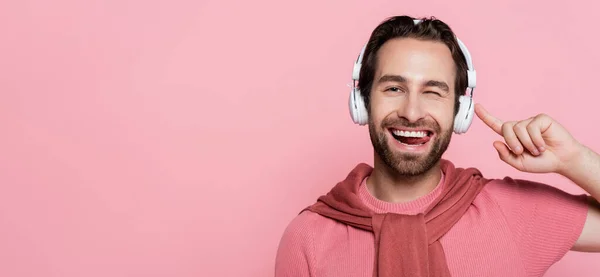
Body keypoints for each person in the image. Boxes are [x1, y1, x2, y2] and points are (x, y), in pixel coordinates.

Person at [274, 15, 600, 277]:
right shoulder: (308, 239)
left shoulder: (513, 212)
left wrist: (574, 160)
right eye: (393, 88)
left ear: (461, 111)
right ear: (362, 102)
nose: (412, 112)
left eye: (433, 91)